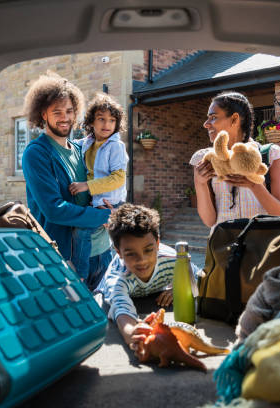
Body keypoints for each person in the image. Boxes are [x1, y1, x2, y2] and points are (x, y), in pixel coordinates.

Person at [21, 72, 113, 290]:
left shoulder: (81, 149)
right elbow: (54, 209)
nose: (65, 117)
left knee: (107, 318)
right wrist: (105, 215)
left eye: (69, 111)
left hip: (102, 253)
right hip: (66, 260)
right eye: (57, 112)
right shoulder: (36, 153)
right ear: (43, 114)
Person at [95, 203, 198, 348]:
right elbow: (121, 307)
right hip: (106, 297)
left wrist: (179, 287)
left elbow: (197, 277)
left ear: (157, 243)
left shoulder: (174, 261)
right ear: (118, 253)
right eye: (131, 254)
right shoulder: (118, 277)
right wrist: (131, 333)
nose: (142, 260)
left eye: (148, 250)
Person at [190, 91, 280, 227]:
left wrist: (254, 185)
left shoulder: (269, 154)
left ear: (234, 119)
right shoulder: (205, 159)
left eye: (213, 117)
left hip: (261, 245)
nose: (206, 124)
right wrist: (200, 183)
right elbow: (209, 221)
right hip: (223, 244)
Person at [67, 93, 129, 282]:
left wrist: (87, 186)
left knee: (83, 229)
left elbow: (118, 178)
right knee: (96, 237)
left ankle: (80, 277)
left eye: (112, 120)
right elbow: (68, 146)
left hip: (111, 202)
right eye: (101, 119)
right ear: (91, 122)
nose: (106, 124)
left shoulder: (115, 146)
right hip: (96, 202)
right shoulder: (86, 144)